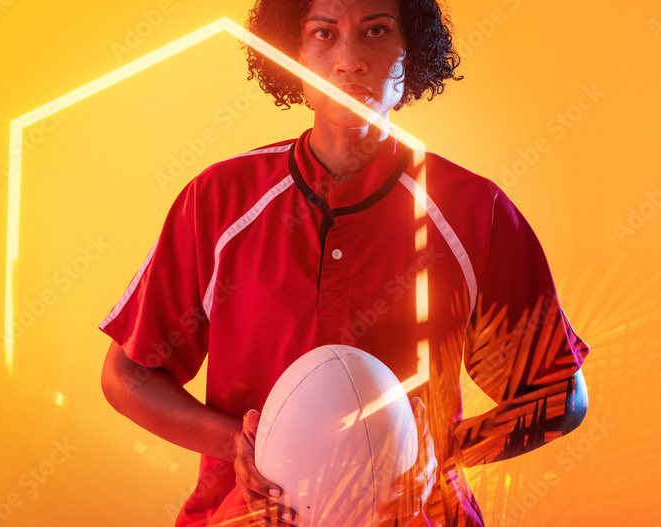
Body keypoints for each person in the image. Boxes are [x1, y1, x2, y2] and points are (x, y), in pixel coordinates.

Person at [100, 0, 590, 525]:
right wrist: (239, 444)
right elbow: (127, 375)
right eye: (323, 33)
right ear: (292, 51)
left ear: (413, 49)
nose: (350, 59)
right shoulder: (219, 201)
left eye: (376, 31)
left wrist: (443, 449)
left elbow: (561, 396)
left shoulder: (474, 212)